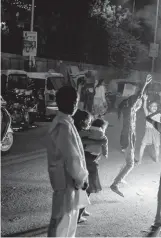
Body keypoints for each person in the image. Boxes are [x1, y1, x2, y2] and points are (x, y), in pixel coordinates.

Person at [46, 86, 89, 237]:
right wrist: (81, 178)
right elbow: (71, 157)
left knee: (64, 218)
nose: (76, 105)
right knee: (64, 220)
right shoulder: (63, 126)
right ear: (70, 103)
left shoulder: (64, 122)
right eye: (75, 101)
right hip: (67, 180)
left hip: (65, 179)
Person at [73, 114, 109, 223]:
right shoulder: (101, 135)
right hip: (89, 162)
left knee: (84, 188)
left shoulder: (85, 132)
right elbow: (104, 148)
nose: (88, 124)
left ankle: (82, 211)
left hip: (86, 159)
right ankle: (78, 216)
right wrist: (104, 150)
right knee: (87, 189)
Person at [136, 94, 161, 165]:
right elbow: (144, 107)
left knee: (157, 146)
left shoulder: (159, 114)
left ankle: (157, 158)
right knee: (143, 145)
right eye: (152, 106)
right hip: (148, 131)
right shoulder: (148, 113)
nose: (154, 107)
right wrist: (145, 100)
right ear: (149, 107)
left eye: (155, 106)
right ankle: (140, 160)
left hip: (156, 131)